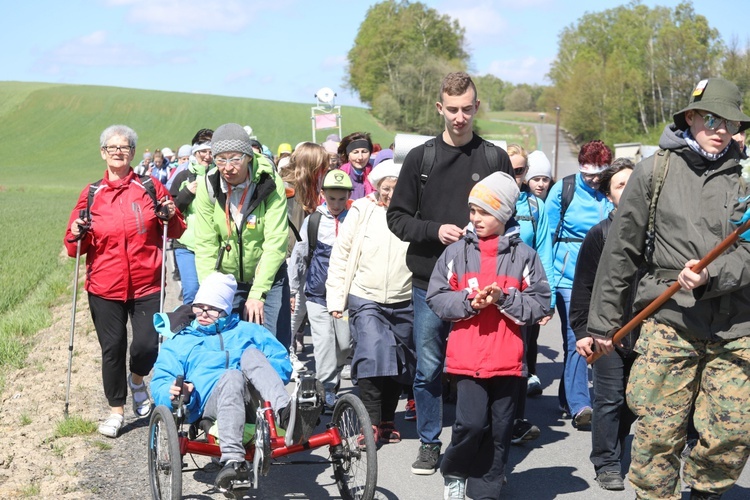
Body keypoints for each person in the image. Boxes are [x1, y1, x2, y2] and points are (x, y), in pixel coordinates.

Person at [588, 77, 750, 500]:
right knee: (658, 433)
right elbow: (619, 253)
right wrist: (602, 324)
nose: (720, 129)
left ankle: (704, 493)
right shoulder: (653, 170)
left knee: (733, 433)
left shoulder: (747, 175)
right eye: (711, 118)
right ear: (691, 117)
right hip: (669, 316)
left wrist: (714, 275)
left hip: (737, 323)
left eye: (730, 122)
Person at [387, 71, 514, 475]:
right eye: (452, 110)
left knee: (481, 367)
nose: (460, 117)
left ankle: (476, 442)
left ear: (477, 108)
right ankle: (429, 442)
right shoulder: (421, 158)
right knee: (428, 368)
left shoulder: (495, 158)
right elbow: (397, 217)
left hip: (485, 284)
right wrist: (433, 230)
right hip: (430, 283)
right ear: (440, 108)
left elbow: (511, 218)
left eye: (467, 109)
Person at [426, 172, 550, 499]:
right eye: (473, 211)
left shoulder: (525, 255)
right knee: (470, 424)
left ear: (505, 213)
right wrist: (469, 300)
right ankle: (454, 470)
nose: (476, 218)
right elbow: (436, 297)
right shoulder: (455, 253)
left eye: (485, 212)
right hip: (466, 358)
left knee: (500, 431)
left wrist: (504, 298)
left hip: (509, 359)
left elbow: (540, 303)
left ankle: (486, 490)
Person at [64, 124, 185, 438]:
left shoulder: (150, 186)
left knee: (146, 346)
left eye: (124, 147)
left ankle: (137, 380)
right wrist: (77, 231)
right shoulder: (92, 193)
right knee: (112, 348)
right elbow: (72, 246)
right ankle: (116, 410)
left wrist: (169, 215)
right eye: (112, 147)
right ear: (103, 153)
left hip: (147, 282)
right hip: (105, 286)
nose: (118, 152)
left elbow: (176, 230)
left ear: (133, 153)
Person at [151, 272, 298, 492]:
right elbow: (161, 380)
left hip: (254, 401)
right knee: (232, 376)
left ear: (226, 310)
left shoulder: (250, 332)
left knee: (251, 355)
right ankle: (233, 462)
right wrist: (174, 391)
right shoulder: (181, 341)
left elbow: (281, 361)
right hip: (208, 405)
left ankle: (287, 413)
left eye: (211, 308)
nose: (202, 313)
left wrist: (265, 375)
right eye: (198, 306)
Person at [327, 159, 416, 445]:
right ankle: (371, 423)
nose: (390, 193)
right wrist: (336, 297)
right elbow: (342, 254)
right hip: (366, 295)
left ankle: (388, 421)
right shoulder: (361, 211)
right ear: (376, 188)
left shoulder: (415, 211)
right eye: (385, 188)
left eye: (396, 188)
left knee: (399, 362)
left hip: (405, 297)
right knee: (372, 354)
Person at [193, 123, 292, 350]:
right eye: (220, 159)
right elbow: (206, 243)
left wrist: (258, 293)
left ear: (248, 156)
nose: (227, 167)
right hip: (226, 277)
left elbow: (276, 239)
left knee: (272, 345)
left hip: (268, 276)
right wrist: (210, 292)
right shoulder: (207, 185)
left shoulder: (269, 181)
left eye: (235, 158)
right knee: (225, 346)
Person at [570, 158, 636, 491]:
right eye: (619, 185)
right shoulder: (599, 234)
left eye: (632, 183)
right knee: (609, 399)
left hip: (646, 333)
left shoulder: (658, 234)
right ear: (609, 195)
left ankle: (618, 446)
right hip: (606, 331)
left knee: (633, 400)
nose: (627, 190)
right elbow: (582, 287)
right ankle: (607, 462)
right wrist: (582, 331)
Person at [545, 140, 613, 428]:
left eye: (599, 174)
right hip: (567, 278)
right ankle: (580, 405)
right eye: (588, 174)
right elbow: (544, 237)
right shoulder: (564, 189)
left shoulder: (611, 190)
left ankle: (566, 398)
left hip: (602, 278)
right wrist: (546, 283)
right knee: (578, 339)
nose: (594, 180)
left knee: (588, 339)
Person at [289, 169, 353, 410]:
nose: (336, 204)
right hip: (316, 292)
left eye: (341, 198)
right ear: (323, 194)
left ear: (348, 195)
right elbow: (300, 255)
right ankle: (326, 386)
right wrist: (294, 290)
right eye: (331, 198)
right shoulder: (313, 221)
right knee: (324, 340)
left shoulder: (353, 219)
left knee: (345, 343)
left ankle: (331, 373)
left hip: (344, 294)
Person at [506, 144, 555, 444]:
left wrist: (544, 299)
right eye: (509, 170)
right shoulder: (487, 200)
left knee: (520, 358)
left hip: (524, 296)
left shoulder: (536, 208)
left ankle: (517, 420)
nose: (515, 176)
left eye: (520, 170)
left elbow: (545, 253)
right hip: (490, 294)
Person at [281, 142, 329, 355]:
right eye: (321, 166)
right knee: (292, 309)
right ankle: (285, 352)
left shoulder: (311, 187)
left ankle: (288, 349)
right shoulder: (286, 188)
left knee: (298, 311)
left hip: (305, 255)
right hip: (290, 257)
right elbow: (289, 227)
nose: (325, 170)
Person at [170, 142, 212, 304]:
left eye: (210, 152)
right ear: (195, 154)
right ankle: (189, 327)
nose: (207, 156)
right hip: (186, 243)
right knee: (192, 292)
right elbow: (172, 209)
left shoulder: (220, 177)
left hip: (212, 244)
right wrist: (187, 192)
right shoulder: (183, 177)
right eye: (203, 152)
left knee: (211, 294)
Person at [338, 132, 374, 200]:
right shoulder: (339, 177)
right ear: (348, 155)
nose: (360, 157)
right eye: (355, 152)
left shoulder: (376, 176)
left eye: (364, 152)